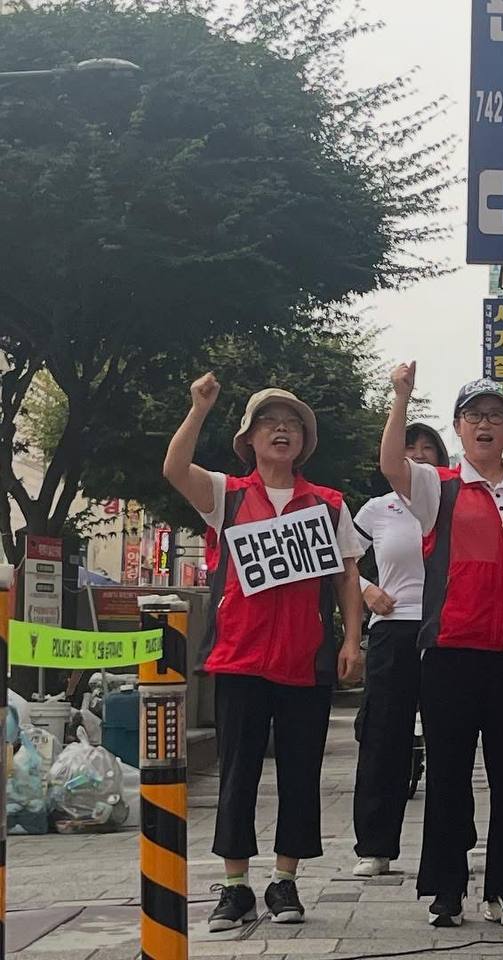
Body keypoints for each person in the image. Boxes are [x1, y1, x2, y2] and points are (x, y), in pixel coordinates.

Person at [163, 374, 365, 930]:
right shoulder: (226, 495)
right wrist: (199, 408)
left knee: (301, 773)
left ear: (303, 442)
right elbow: (174, 470)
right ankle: (234, 885)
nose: (282, 430)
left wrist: (351, 639)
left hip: (306, 661)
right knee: (238, 773)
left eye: (292, 424)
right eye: (269, 423)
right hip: (240, 657)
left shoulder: (327, 505)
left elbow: (349, 578)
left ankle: (285, 881)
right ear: (248, 439)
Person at [380, 364, 503, 930]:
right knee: (448, 772)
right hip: (450, 652)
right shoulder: (435, 486)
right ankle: (446, 890)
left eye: (495, 416)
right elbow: (392, 462)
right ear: (459, 428)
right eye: (474, 417)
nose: (485, 425)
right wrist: (401, 397)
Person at [349, 421, 448, 878]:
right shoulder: (377, 509)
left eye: (430, 449)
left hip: (447, 631)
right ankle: (375, 846)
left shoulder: (453, 501)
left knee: (451, 741)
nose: (421, 456)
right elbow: (339, 557)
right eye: (412, 448)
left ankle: (449, 852)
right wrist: (368, 590)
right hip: (393, 629)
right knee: (383, 737)